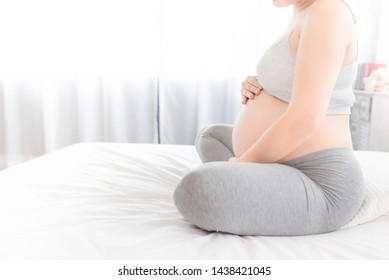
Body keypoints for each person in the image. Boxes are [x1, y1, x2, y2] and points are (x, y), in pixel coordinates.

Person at [174, 0, 365, 236]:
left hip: (319, 181)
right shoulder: (303, 12)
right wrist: (260, 84)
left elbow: (305, 118)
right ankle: (255, 182)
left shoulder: (328, 10)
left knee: (197, 189)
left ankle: (241, 182)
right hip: (282, 163)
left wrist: (240, 166)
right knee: (211, 136)